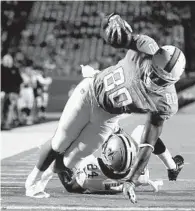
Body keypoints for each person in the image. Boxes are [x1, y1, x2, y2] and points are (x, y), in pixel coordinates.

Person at [25, 13, 186, 203]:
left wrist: (132, 180)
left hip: (108, 118)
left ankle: (44, 177)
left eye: (160, 79)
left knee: (69, 161)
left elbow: (148, 143)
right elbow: (118, 37)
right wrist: (111, 20)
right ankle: (33, 182)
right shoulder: (146, 48)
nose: (153, 79)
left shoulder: (165, 101)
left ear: (172, 81)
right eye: (153, 71)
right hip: (90, 93)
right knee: (60, 142)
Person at [31, 125, 168, 198]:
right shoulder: (141, 176)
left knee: (63, 145)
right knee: (145, 132)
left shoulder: (88, 168)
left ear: (108, 153)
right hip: (123, 181)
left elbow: (70, 186)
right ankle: (171, 165)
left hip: (92, 179)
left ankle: (46, 171)